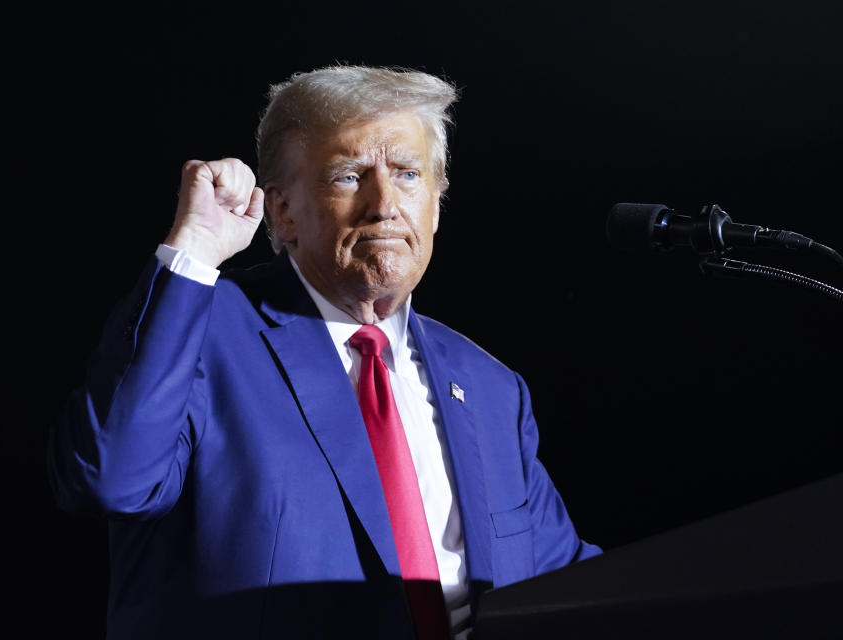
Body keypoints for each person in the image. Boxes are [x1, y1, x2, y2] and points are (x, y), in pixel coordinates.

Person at [48, 65, 601, 640]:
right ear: (283, 212)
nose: (384, 204)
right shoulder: (204, 331)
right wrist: (193, 252)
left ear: (436, 204)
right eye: (348, 176)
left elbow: (567, 583)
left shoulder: (490, 387)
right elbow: (108, 478)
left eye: (409, 174)